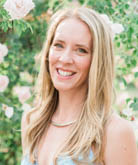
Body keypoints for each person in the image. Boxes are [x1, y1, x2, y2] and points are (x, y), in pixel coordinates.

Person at [21, 5, 138, 165]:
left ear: (98, 61)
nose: (65, 59)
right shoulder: (32, 121)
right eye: (59, 45)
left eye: (81, 50)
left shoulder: (114, 133)